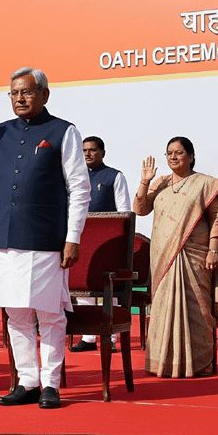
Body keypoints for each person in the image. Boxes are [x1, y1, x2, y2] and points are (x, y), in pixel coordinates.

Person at [0, 68, 90, 409]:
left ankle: (51, 384)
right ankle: (28, 382)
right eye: (14, 93)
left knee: (50, 314)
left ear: (44, 94)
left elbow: (80, 188)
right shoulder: (1, 131)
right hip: (5, 239)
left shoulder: (63, 131)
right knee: (16, 314)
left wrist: (73, 237)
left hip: (46, 239)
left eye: (26, 92)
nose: (20, 98)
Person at [135, 136, 218, 378]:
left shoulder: (204, 184)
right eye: (169, 153)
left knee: (197, 309)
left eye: (178, 152)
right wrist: (144, 182)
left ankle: (199, 363)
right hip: (163, 257)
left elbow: (217, 218)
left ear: (191, 156)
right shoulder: (160, 183)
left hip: (196, 255)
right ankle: (162, 363)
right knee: (162, 308)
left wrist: (213, 250)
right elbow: (140, 209)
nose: (173, 157)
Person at [72, 136, 133, 353]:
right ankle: (88, 337)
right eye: (84, 150)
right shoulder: (74, 178)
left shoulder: (114, 176)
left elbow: (124, 212)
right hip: (81, 242)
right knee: (83, 289)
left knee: (111, 290)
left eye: (92, 150)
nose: (88, 153)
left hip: (108, 244)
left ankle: (112, 337)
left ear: (103, 153)